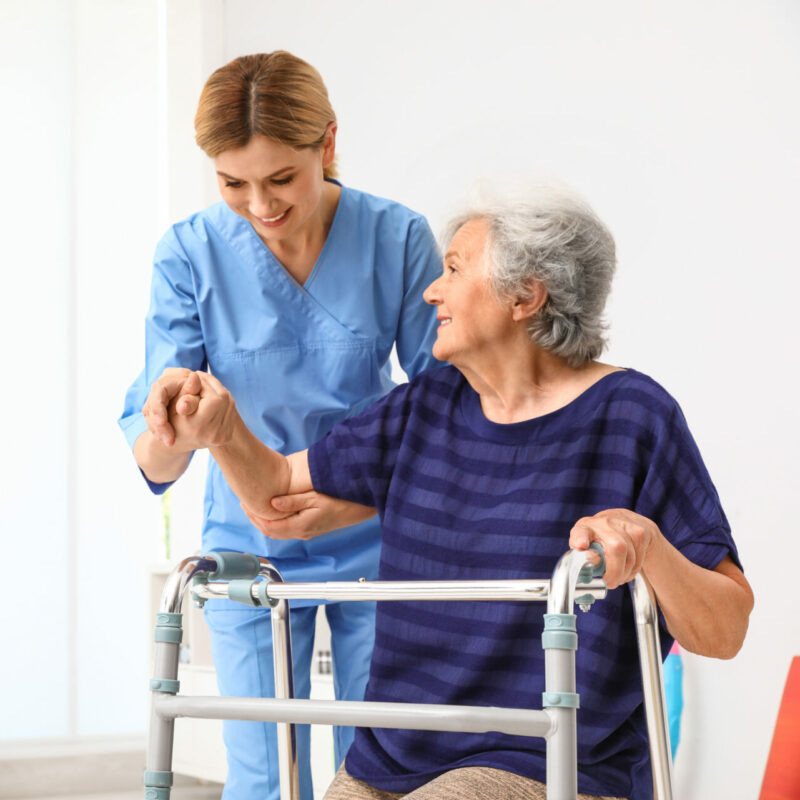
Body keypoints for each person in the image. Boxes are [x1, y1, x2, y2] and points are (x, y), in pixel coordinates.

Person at [157, 186, 754, 800]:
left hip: (543, 760)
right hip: (391, 755)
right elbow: (279, 499)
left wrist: (650, 547)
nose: (430, 291)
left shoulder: (632, 416)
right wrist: (223, 432)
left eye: (453, 270)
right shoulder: (425, 407)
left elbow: (726, 628)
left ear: (525, 294)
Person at [119, 51, 442, 800]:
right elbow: (156, 460)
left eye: (281, 179)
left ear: (327, 145)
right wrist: (174, 421)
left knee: (380, 773)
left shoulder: (397, 239)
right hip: (251, 544)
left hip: (376, 537)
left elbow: (446, 411)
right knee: (267, 779)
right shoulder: (190, 254)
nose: (260, 204)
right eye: (234, 183)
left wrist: (355, 504)